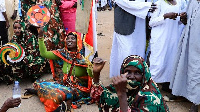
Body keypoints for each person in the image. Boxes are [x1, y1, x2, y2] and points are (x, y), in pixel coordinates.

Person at [25, 28, 93, 112]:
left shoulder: (84, 59)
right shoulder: (63, 53)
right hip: (63, 84)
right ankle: (42, 93)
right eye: (67, 38)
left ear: (78, 41)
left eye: (72, 38)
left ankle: (62, 105)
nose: (69, 40)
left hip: (77, 90)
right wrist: (40, 37)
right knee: (39, 83)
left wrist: (93, 68)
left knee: (59, 95)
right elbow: (44, 53)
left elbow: (91, 77)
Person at [91, 55, 169, 111]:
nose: (131, 76)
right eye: (128, 72)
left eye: (137, 73)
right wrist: (96, 74)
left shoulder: (151, 97)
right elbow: (99, 97)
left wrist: (121, 94)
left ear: (144, 75)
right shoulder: (122, 86)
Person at [109, 0, 156, 77]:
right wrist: (146, 6)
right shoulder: (146, 6)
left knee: (139, 49)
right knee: (126, 52)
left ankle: (136, 77)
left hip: (139, 23)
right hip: (124, 22)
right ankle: (123, 78)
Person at [149, 0, 187, 91]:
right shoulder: (159, 3)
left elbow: (178, 22)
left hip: (172, 38)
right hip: (160, 38)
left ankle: (167, 84)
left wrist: (181, 18)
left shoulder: (179, 3)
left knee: (170, 62)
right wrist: (165, 16)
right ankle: (149, 86)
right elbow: (151, 22)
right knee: (158, 63)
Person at [169, 0, 200, 111]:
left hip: (198, 44)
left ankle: (196, 101)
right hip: (188, 39)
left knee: (196, 69)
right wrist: (183, 18)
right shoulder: (193, 1)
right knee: (184, 64)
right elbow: (187, 20)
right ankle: (180, 93)